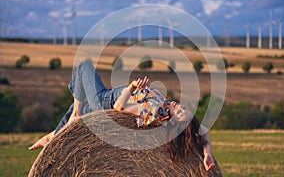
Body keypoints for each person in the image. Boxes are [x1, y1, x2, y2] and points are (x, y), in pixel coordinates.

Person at [29, 61, 215, 171]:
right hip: (105, 97)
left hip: (104, 102)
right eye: (184, 107)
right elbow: (203, 131)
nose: (179, 106)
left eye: (180, 113)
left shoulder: (155, 113)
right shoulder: (165, 107)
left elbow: (119, 108)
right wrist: (207, 153)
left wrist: (131, 87)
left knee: (84, 67)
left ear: (174, 121)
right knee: (76, 103)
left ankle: (75, 117)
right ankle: (54, 136)